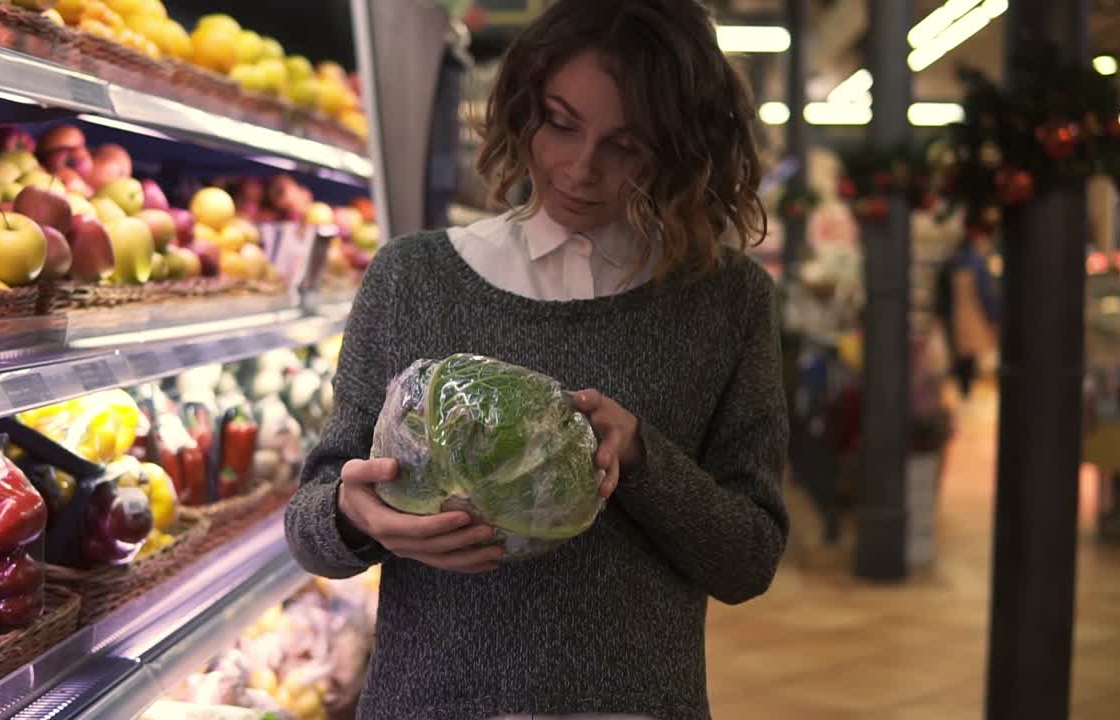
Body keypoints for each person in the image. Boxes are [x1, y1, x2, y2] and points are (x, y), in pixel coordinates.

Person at [285, 1, 789, 717]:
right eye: (561, 122)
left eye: (627, 144)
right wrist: (356, 515)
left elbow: (749, 559)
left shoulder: (727, 301)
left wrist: (644, 457)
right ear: (523, 108)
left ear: (679, 148)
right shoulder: (413, 277)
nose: (582, 168)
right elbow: (310, 527)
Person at [934, 231, 1000, 399]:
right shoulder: (977, 263)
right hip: (969, 314)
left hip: (956, 315)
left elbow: (941, 293)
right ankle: (965, 391)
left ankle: (963, 390)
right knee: (968, 355)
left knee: (960, 353)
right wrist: (993, 316)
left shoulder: (952, 262)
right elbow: (986, 293)